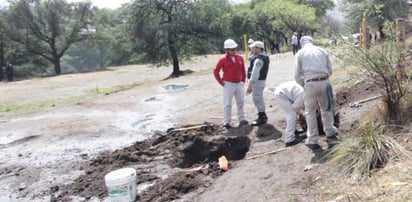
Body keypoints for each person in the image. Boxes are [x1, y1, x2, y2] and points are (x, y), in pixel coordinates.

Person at [294, 36, 338, 150]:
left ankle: (313, 139)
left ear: (301, 44)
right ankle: (330, 132)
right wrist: (324, 77)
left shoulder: (300, 53)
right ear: (312, 42)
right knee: (326, 108)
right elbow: (330, 69)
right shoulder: (322, 50)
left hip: (310, 83)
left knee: (310, 112)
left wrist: (304, 84)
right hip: (324, 81)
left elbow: (297, 75)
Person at [214, 39, 248, 129]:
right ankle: (227, 121)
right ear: (227, 50)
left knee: (241, 102)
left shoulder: (240, 58)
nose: (234, 51)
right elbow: (216, 71)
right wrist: (221, 82)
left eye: (235, 49)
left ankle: (242, 119)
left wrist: (243, 80)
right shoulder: (222, 59)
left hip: (239, 83)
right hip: (228, 84)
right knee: (227, 103)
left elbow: (243, 70)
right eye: (232, 49)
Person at [274, 81, 307, 147]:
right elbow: (295, 107)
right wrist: (301, 114)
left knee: (290, 113)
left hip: (283, 92)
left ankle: (294, 131)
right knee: (292, 115)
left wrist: (300, 113)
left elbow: (297, 105)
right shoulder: (302, 95)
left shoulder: (302, 92)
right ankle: (289, 139)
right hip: (281, 94)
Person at [247, 41, 269, 126]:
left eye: (254, 47)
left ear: (258, 48)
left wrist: (250, 85)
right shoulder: (263, 57)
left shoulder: (259, 60)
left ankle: (262, 116)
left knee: (257, 99)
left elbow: (255, 73)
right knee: (258, 98)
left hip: (258, 82)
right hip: (260, 81)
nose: (252, 49)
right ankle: (261, 114)